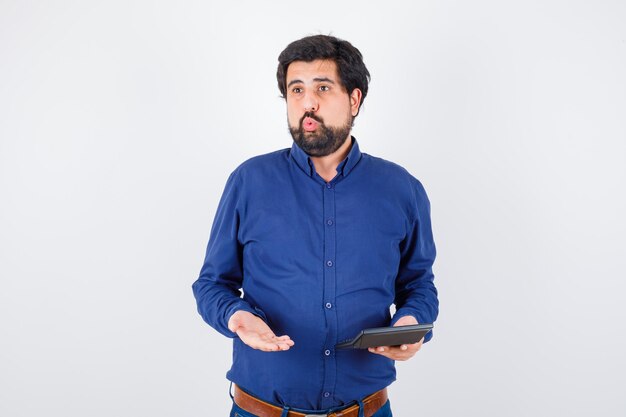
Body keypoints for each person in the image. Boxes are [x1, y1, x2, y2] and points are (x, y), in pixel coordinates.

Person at [192, 34, 438, 417]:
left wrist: (412, 322)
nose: (308, 103)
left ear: (354, 99)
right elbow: (211, 284)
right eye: (296, 90)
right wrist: (237, 318)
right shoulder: (248, 182)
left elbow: (419, 284)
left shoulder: (402, 189)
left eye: (322, 88)